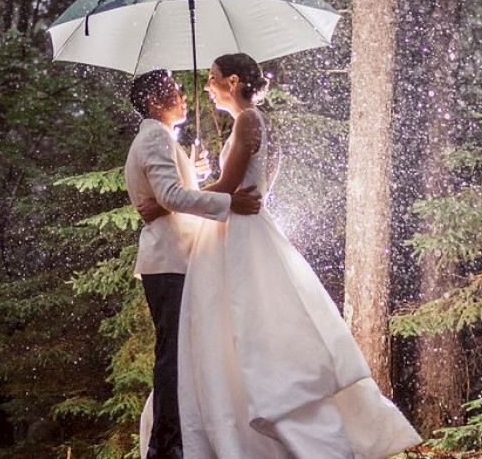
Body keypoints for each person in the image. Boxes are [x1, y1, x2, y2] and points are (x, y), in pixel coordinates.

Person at [140, 53, 421, 458]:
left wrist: (167, 204)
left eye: (213, 78)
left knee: (246, 326)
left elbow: (232, 186)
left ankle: (260, 418)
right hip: (234, 227)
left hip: (238, 234)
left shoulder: (249, 120)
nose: (206, 86)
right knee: (227, 327)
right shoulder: (252, 122)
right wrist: (203, 177)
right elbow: (240, 187)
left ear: (233, 81)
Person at [125, 68, 262, 459]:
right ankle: (165, 445)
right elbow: (169, 196)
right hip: (169, 261)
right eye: (173, 89)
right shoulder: (154, 137)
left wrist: (195, 171)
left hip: (177, 260)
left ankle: (181, 439)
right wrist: (227, 200)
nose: (183, 94)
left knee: (183, 354)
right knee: (174, 356)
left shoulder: (163, 139)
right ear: (154, 100)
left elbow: (169, 195)